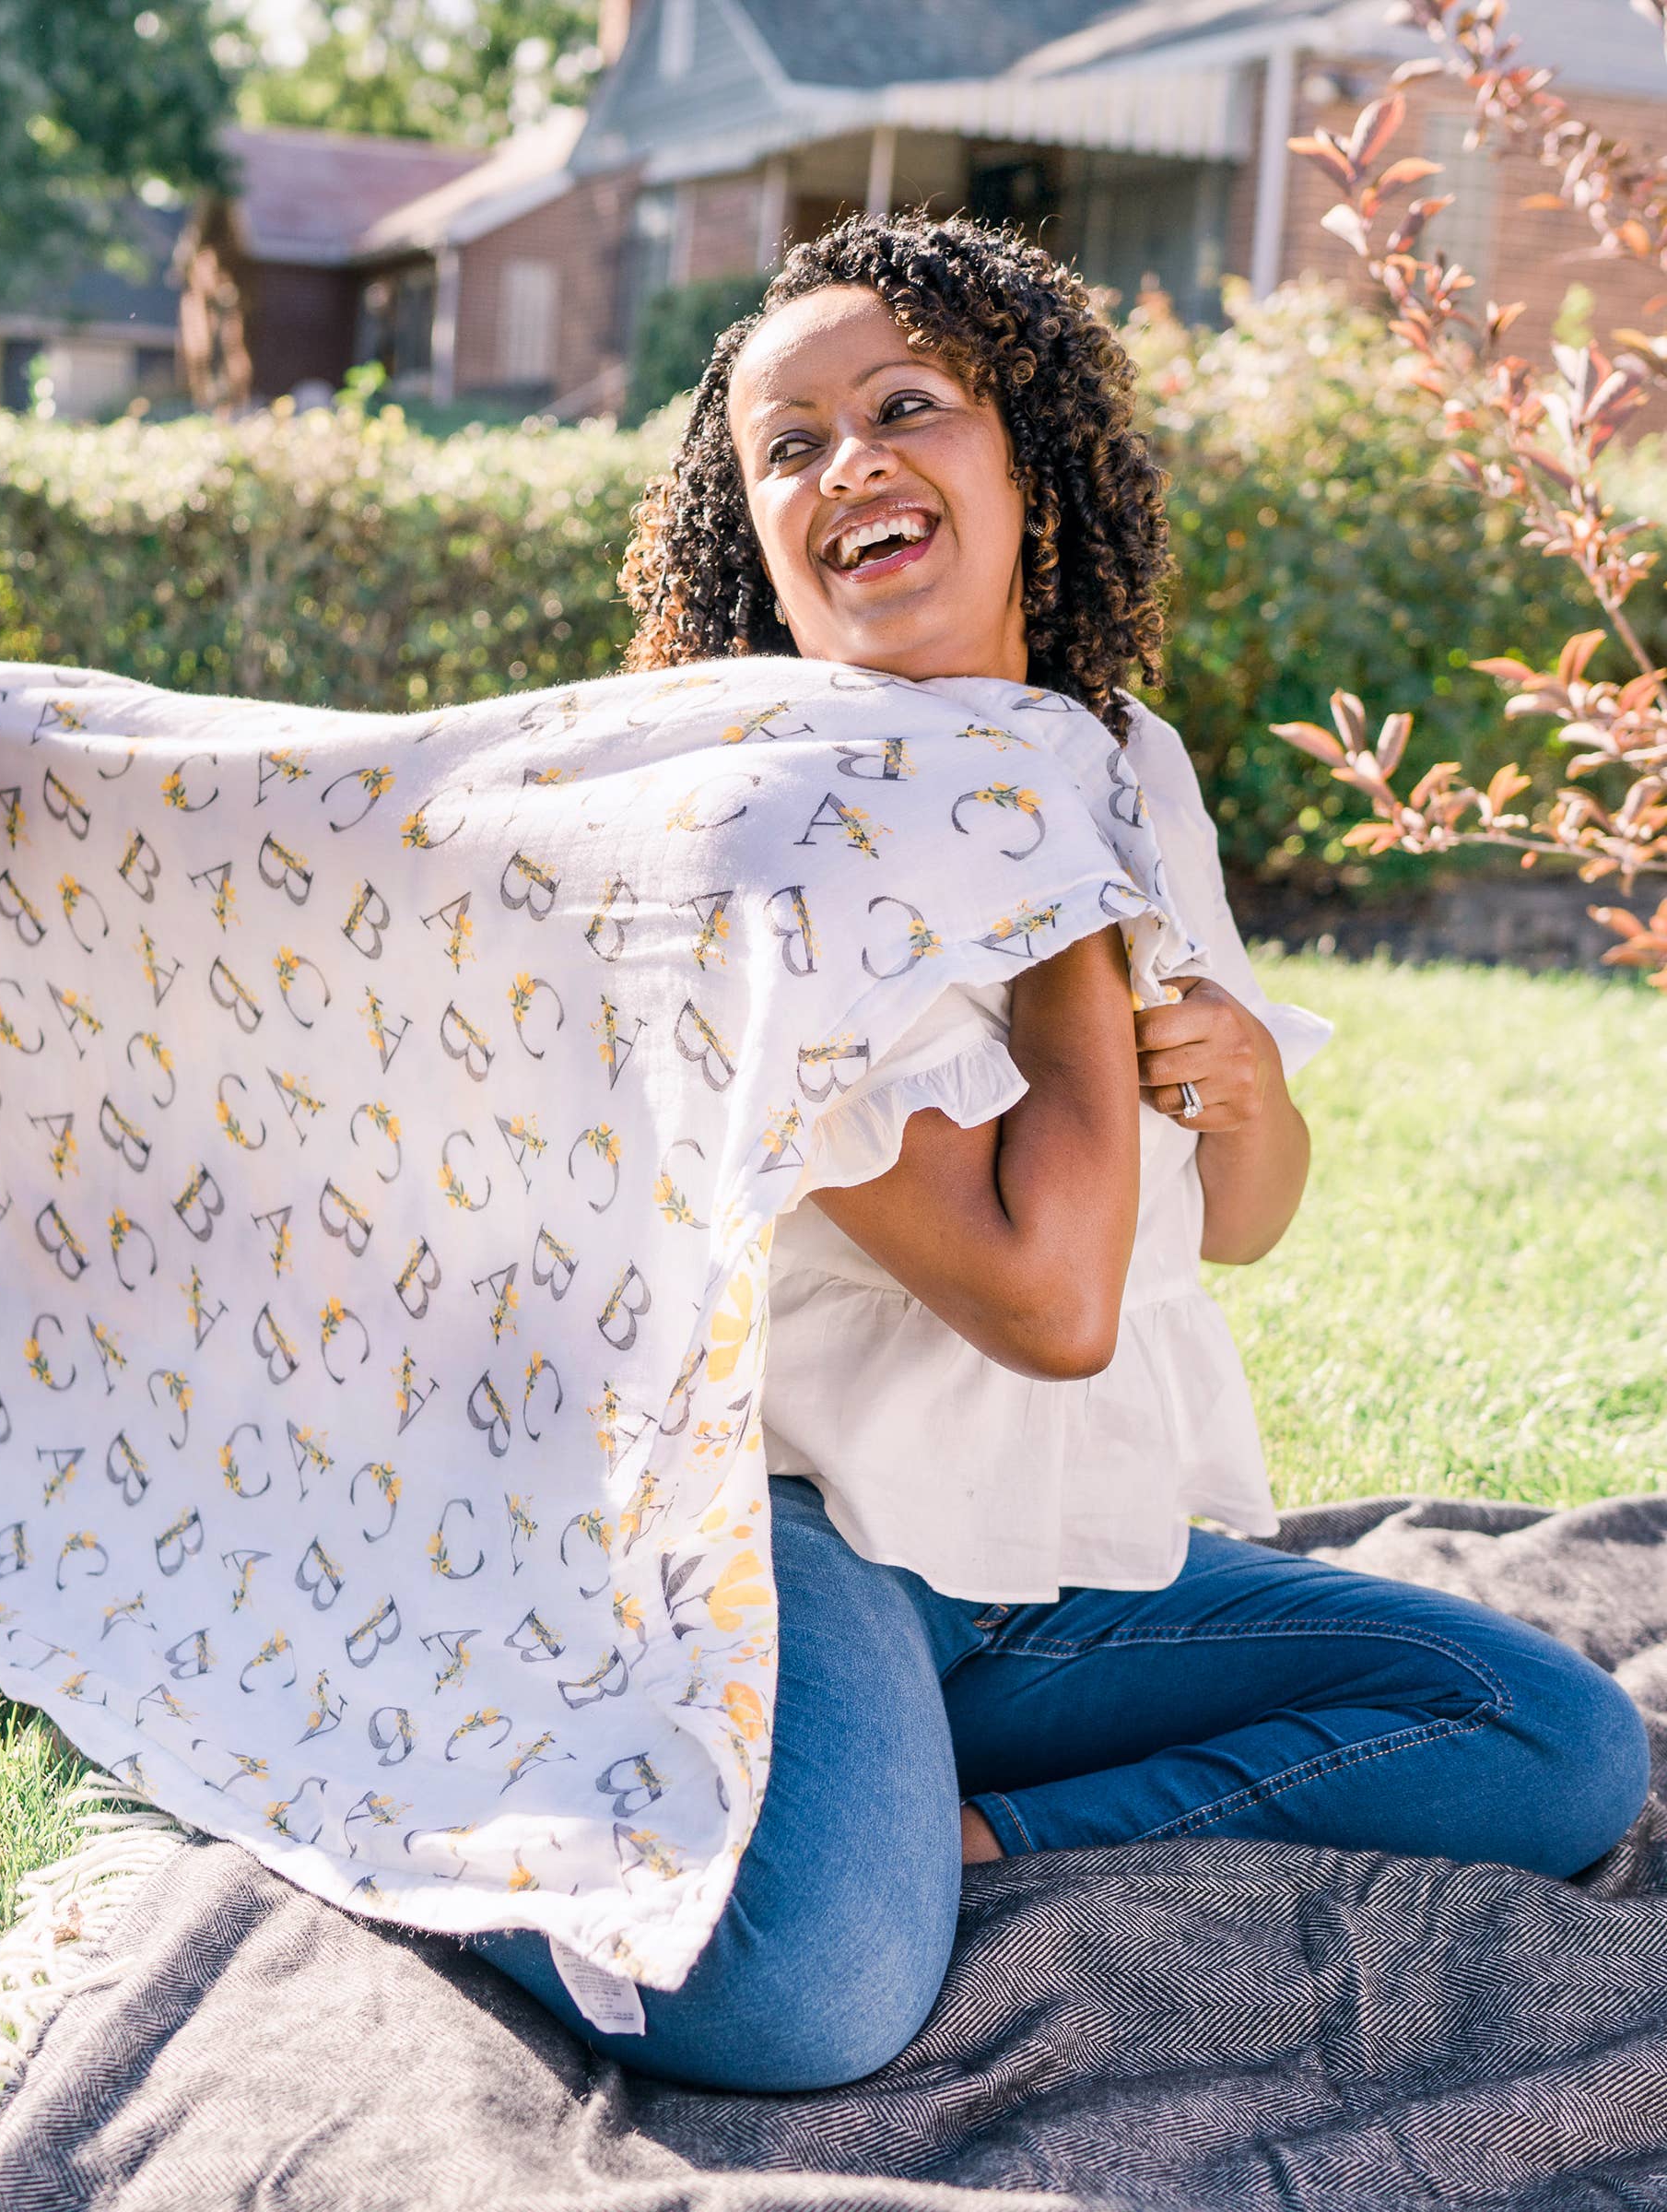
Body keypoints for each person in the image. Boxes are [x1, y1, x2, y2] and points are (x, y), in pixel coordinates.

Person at [467, 213, 1652, 2089]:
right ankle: (408, 1819)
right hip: (787, 1528)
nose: (847, 463)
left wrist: (1253, 1093)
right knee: (802, 1999)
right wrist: (1058, 903)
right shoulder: (757, 846)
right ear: (753, 543)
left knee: (1554, 1739)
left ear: (1030, 459)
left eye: (905, 407)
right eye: (788, 447)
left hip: (1044, 1560)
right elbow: (1051, 1301)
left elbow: (1237, 1228)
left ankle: (977, 1833)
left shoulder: (1121, 763)